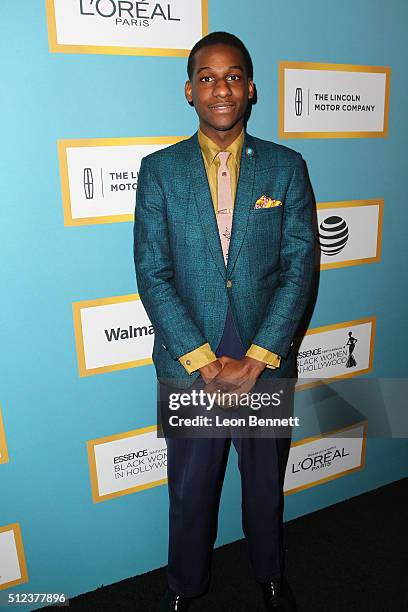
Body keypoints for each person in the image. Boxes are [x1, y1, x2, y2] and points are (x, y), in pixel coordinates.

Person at [134, 32, 315, 612]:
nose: (221, 88)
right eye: (207, 77)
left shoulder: (287, 168)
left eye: (233, 75)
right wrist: (202, 359)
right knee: (190, 490)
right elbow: (153, 272)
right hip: (193, 362)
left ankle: (269, 575)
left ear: (251, 88)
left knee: (264, 485)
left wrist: (259, 357)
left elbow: (299, 268)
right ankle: (185, 587)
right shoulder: (158, 171)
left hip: (264, 358)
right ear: (190, 90)